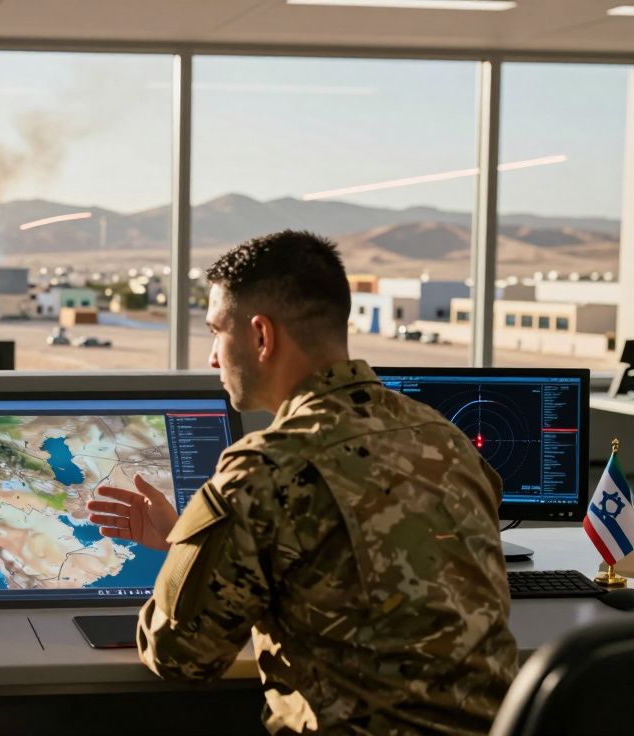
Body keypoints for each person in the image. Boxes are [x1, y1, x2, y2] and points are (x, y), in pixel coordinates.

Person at [88, 231, 518, 735]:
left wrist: (185, 552)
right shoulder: (444, 438)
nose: (212, 358)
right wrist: (185, 541)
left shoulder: (265, 469)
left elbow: (178, 655)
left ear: (261, 336)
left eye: (217, 332)